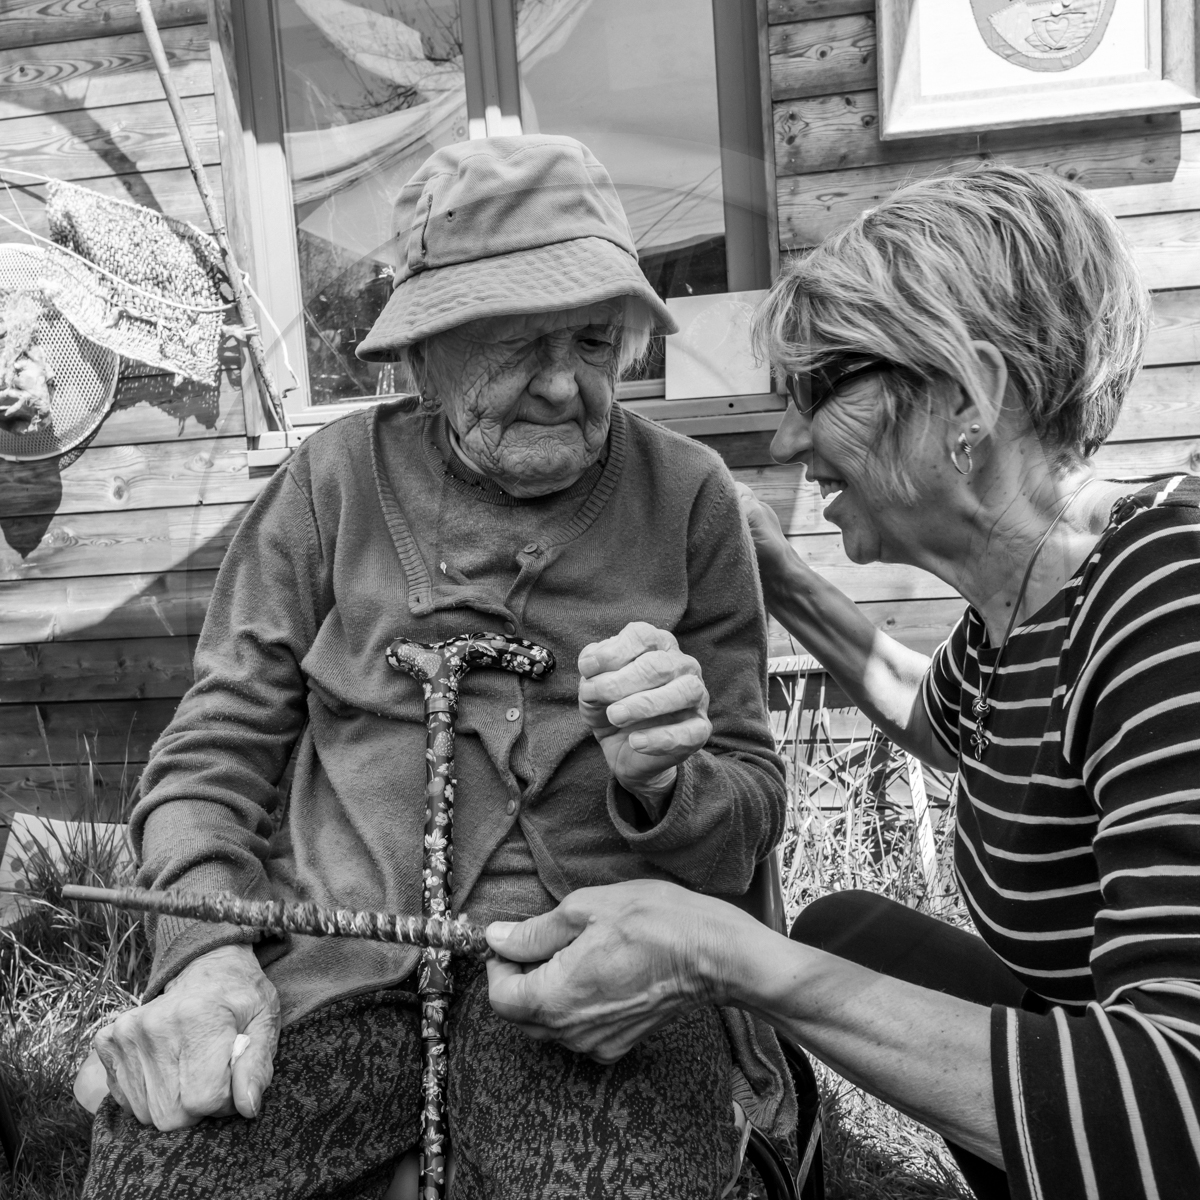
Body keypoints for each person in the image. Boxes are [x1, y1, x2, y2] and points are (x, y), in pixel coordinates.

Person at [83, 136, 789, 1200]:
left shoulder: (690, 500)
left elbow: (748, 810)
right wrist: (207, 955)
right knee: (163, 1168)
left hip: (598, 991)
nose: (563, 385)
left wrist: (664, 784)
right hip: (333, 979)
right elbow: (208, 760)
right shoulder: (331, 486)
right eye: (517, 346)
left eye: (596, 343)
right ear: (425, 350)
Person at [483, 164, 1200, 1200]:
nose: (785, 437)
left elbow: (1178, 1103)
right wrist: (784, 580)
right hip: (1087, 1032)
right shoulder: (1035, 597)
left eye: (820, 389)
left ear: (968, 395)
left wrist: (720, 954)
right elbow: (941, 717)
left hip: (1155, 1126)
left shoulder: (1168, 602)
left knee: (802, 955)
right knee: (847, 931)